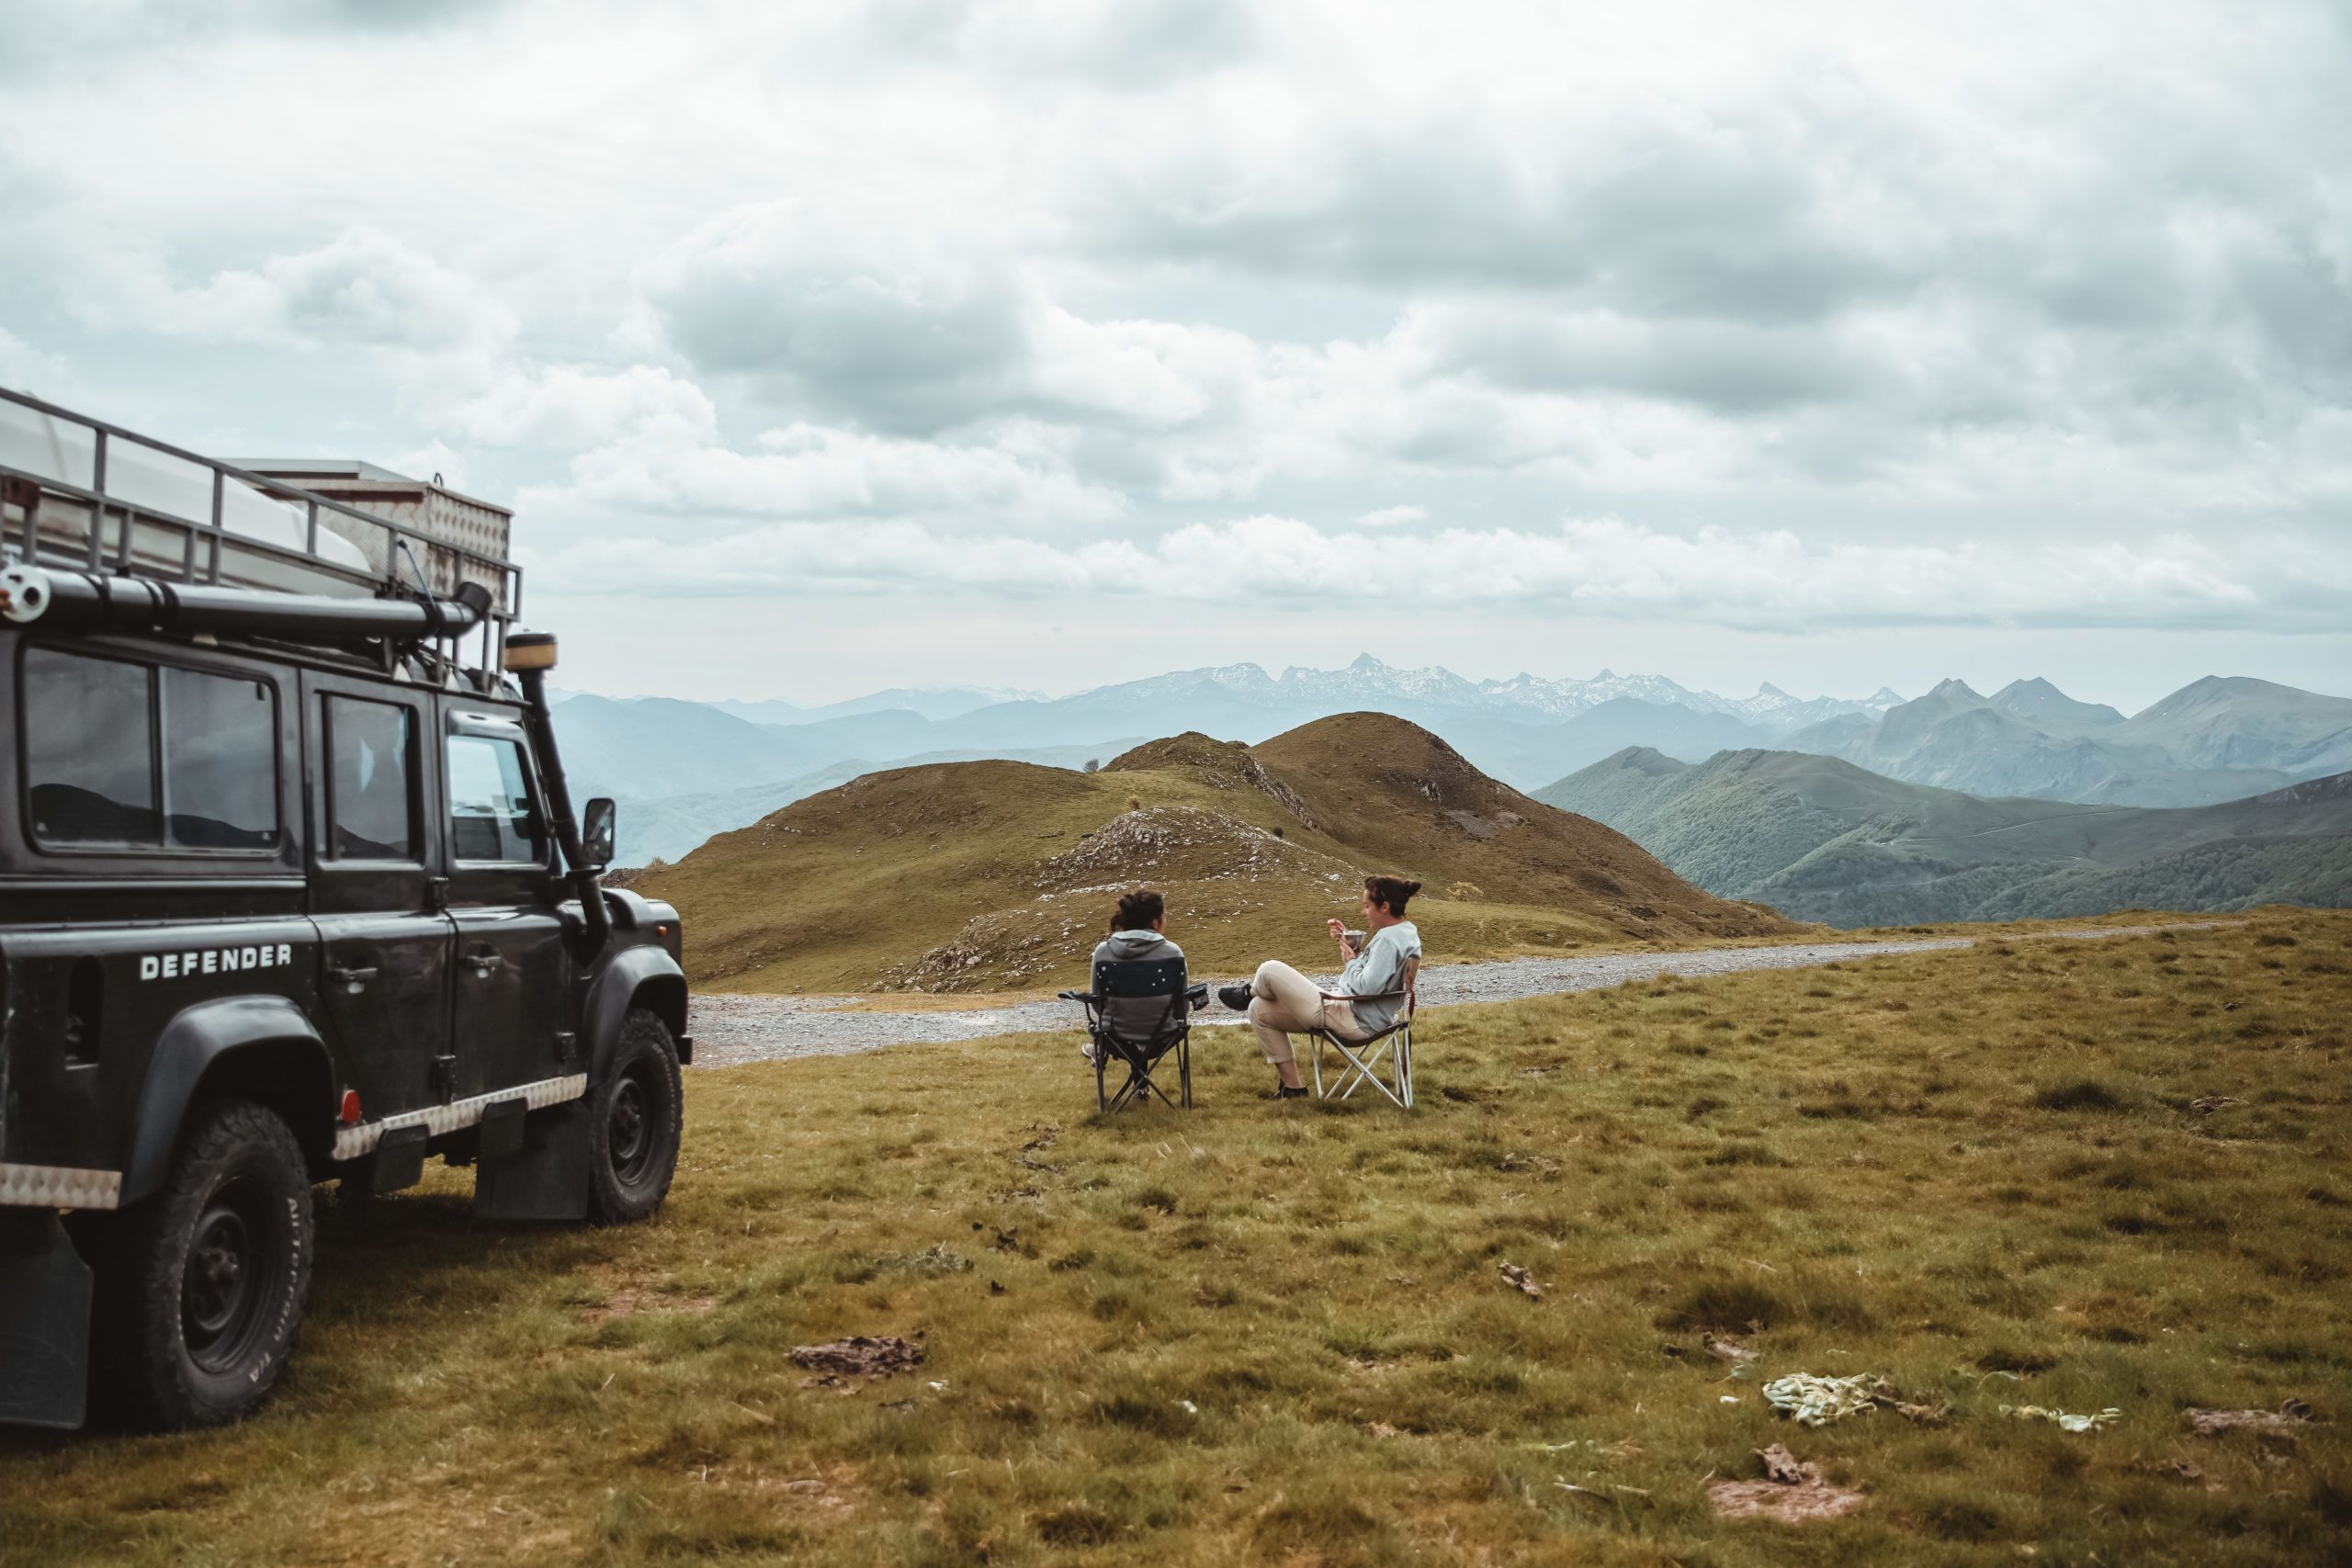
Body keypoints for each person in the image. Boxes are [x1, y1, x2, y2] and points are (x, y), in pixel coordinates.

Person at [1218, 875, 1423, 1099]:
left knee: (1270, 969)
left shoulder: (1388, 940)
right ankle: (1294, 1089)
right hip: (1364, 1014)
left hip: (1352, 1017)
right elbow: (1377, 979)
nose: (1362, 912)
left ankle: (1248, 992)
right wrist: (1352, 949)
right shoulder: (1406, 932)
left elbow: (1366, 988)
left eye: (1366, 906)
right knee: (1259, 1009)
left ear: (1384, 907)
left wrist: (1350, 961)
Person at [1084, 888, 1187, 1064]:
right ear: (1155, 923)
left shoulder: (1103, 951)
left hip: (1114, 1036)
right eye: (1165, 916)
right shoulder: (1173, 953)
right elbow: (1181, 1008)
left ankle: (1098, 1049)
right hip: (1163, 1036)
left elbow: (1098, 1003)